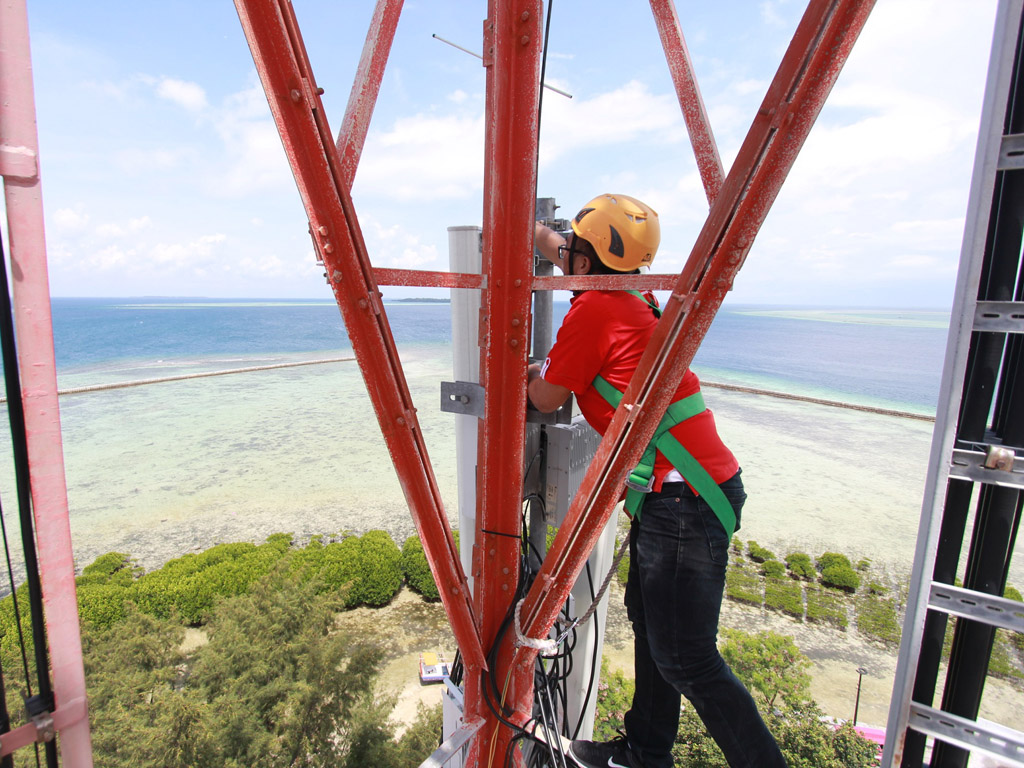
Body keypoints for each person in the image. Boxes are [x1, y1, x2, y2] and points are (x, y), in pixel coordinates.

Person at [528, 194, 786, 768]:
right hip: (688, 490)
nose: (561, 252)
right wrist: (536, 232)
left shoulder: (593, 311)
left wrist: (532, 372)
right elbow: (561, 246)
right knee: (654, 632)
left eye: (570, 249)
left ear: (587, 263)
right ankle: (645, 753)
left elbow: (546, 396)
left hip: (681, 499)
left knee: (687, 658)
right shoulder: (635, 293)